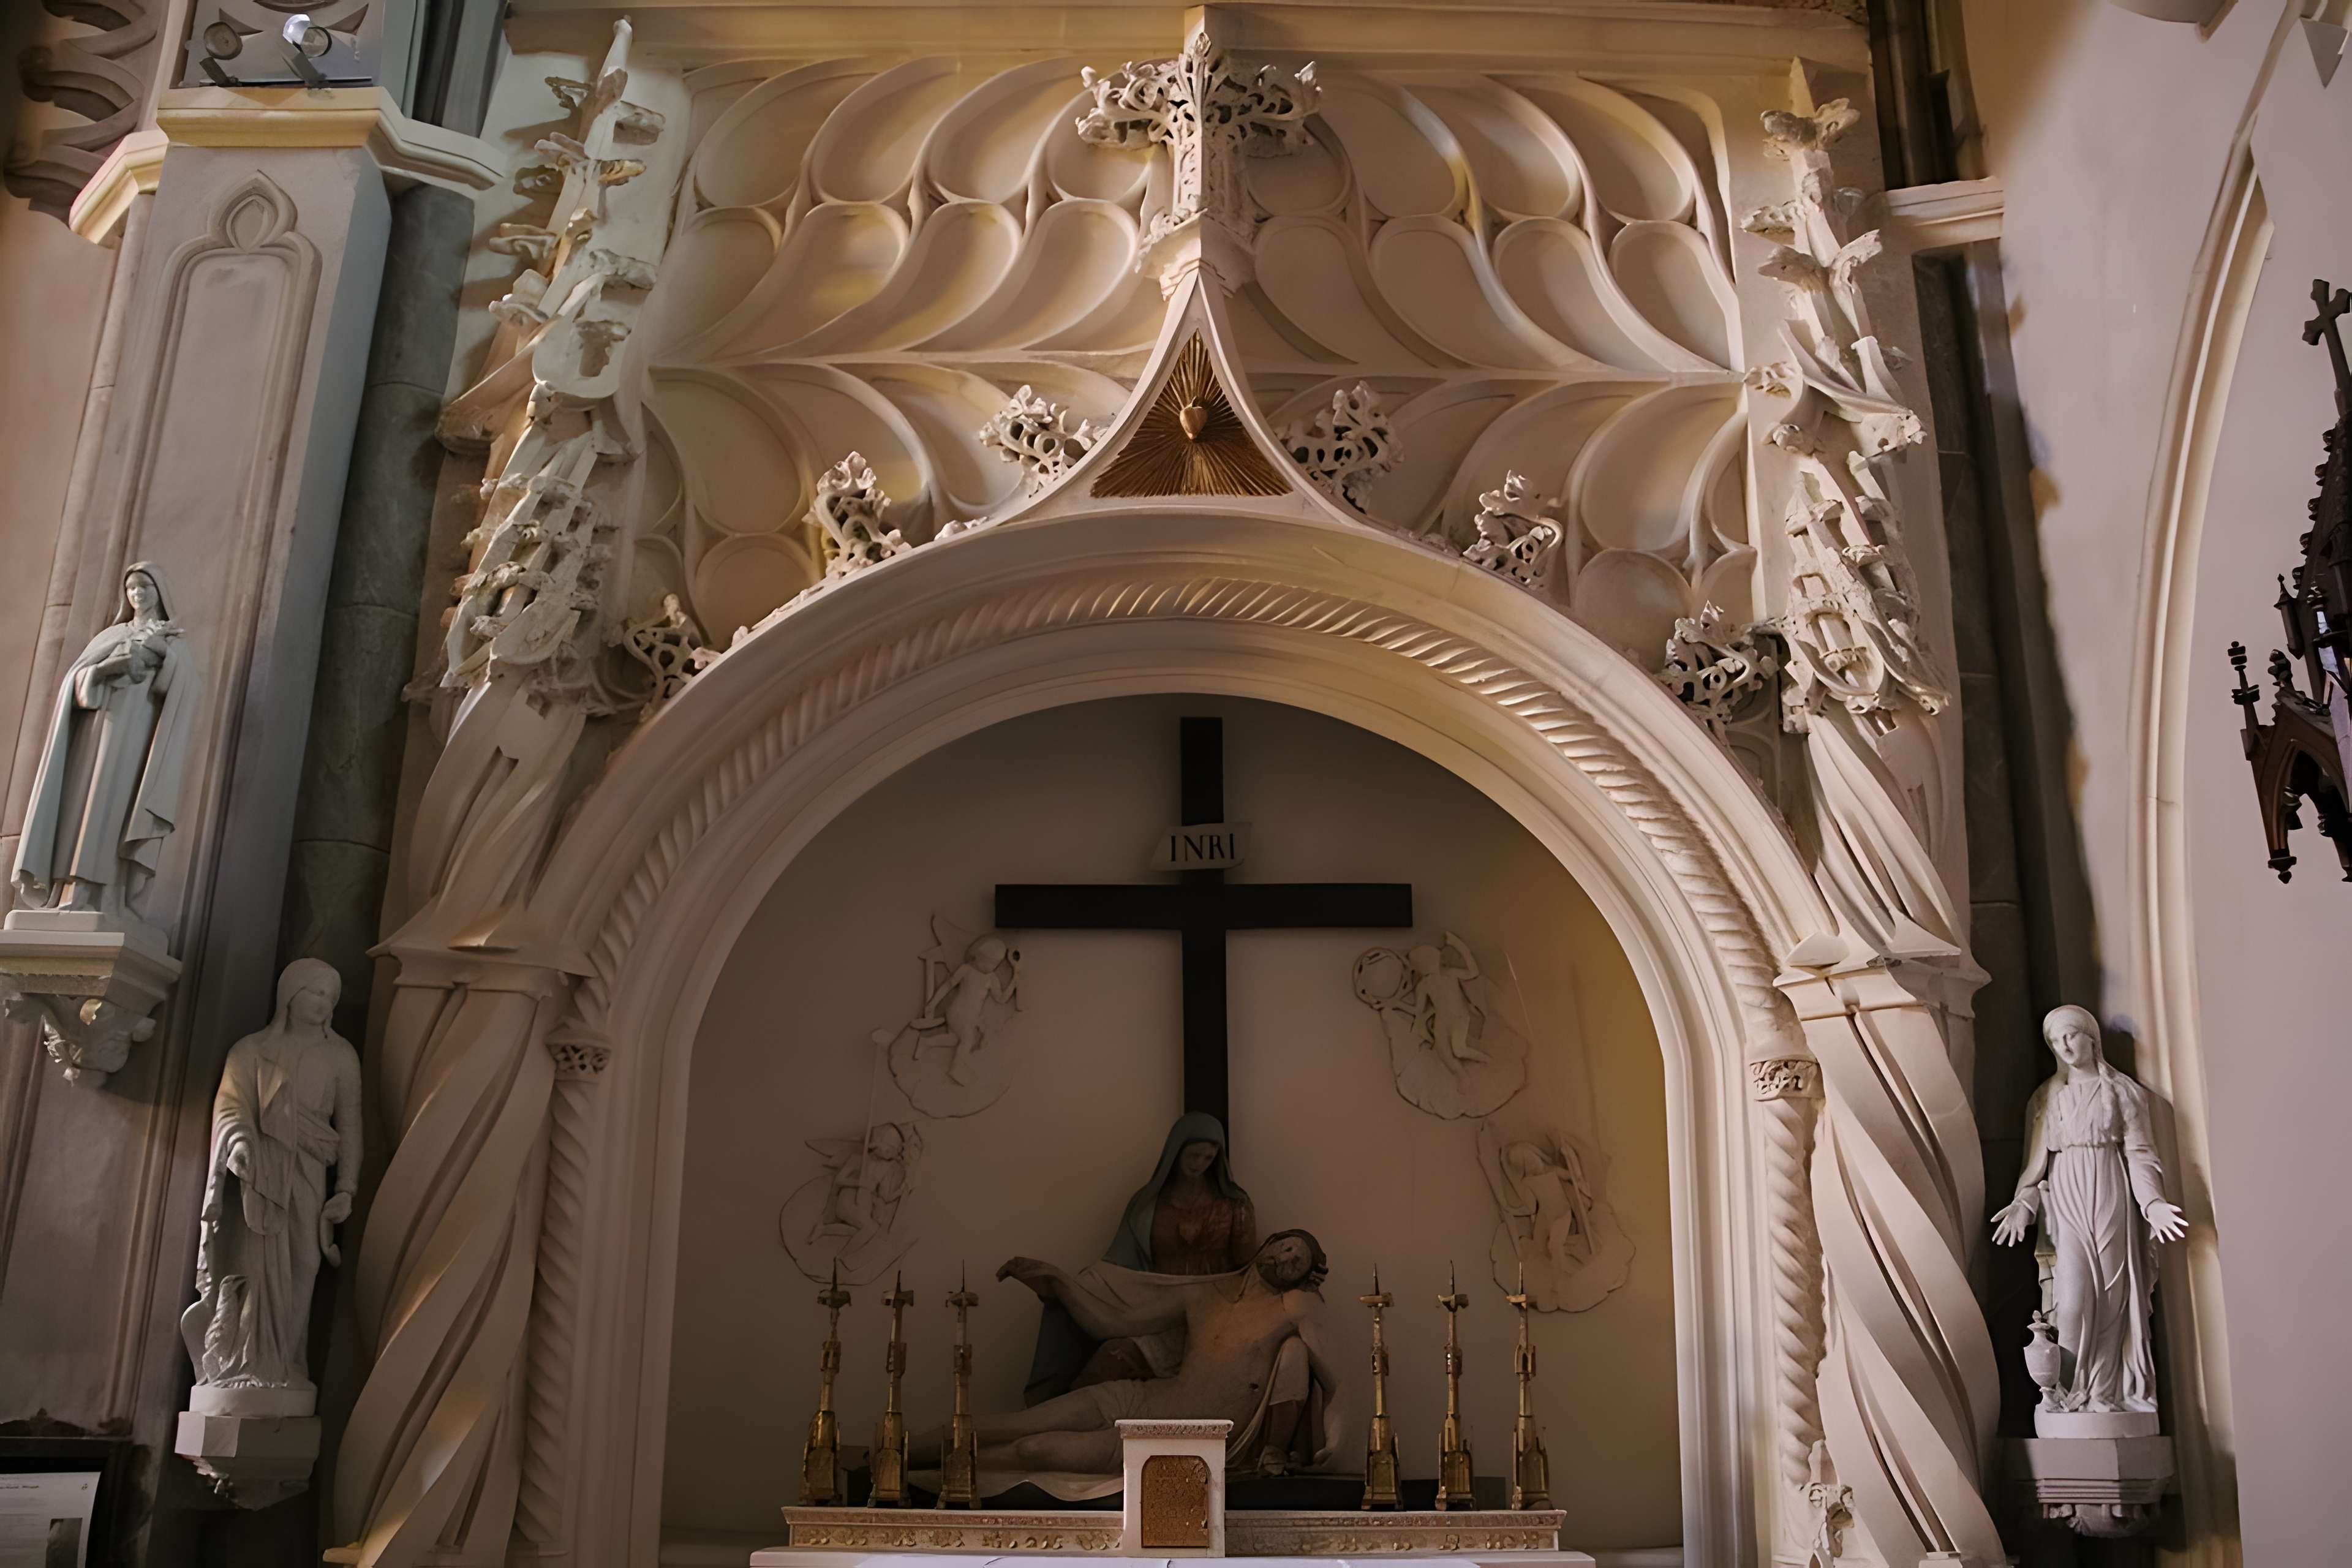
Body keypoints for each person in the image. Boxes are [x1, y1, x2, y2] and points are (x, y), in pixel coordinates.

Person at [914, 1231, 1354, 1495]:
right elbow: (1112, 1321)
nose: (1285, 1259)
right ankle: (894, 1453)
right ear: (1270, 1242)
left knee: (1036, 1450)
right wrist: (1057, 1281)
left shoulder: (1295, 1306)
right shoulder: (1204, 1293)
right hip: (1142, 1397)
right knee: (1018, 1423)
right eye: (1286, 1247)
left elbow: (1333, 1381)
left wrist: (1334, 1446)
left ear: (1306, 1276)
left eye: (1298, 1261)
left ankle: (925, 1478)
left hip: (1172, 1436)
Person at [180, 960, 363, 1410]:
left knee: (304, 1262)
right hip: (259, 1174)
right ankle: (249, 1362)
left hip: (308, 1174)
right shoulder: (251, 1051)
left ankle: (285, 1361)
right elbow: (230, 1105)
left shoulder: (340, 1056)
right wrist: (240, 1144)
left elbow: (352, 1127)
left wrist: (347, 1188)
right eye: (315, 992)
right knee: (255, 1265)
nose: (323, 1003)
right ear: (290, 994)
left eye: (330, 997)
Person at [1991, 1005, 2188, 1414]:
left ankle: (2105, 1394)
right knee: (2074, 1298)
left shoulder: (2122, 1092)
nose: (2064, 1046)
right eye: (2055, 1041)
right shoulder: (2047, 1098)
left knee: (2114, 1296)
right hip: (2066, 1197)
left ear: (2091, 1038)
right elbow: (2035, 1165)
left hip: (2111, 1190)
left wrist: (2152, 1204)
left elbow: (2140, 1154)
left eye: (2071, 1036)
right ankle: (2070, 1393)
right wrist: (2022, 1204)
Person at [1023, 1112, 1256, 1403]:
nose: (1199, 1165)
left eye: (1208, 1158)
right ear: (1175, 1152)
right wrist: (1065, 1285)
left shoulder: (1235, 1206)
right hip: (1156, 1315)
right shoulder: (1147, 1205)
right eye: (1193, 1156)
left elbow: (1249, 1271)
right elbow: (1117, 1270)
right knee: (1108, 1358)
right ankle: (1053, 1426)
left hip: (1211, 1315)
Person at [12, 562, 194, 921]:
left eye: (145, 587)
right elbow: (74, 683)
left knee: (116, 811)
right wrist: (103, 670)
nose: (138, 595)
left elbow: (183, 689)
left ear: (160, 593)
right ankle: (70, 889)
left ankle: (107, 897)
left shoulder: (170, 638)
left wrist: (161, 654)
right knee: (83, 809)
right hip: (95, 735)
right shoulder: (109, 636)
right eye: (132, 589)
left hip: (136, 737)